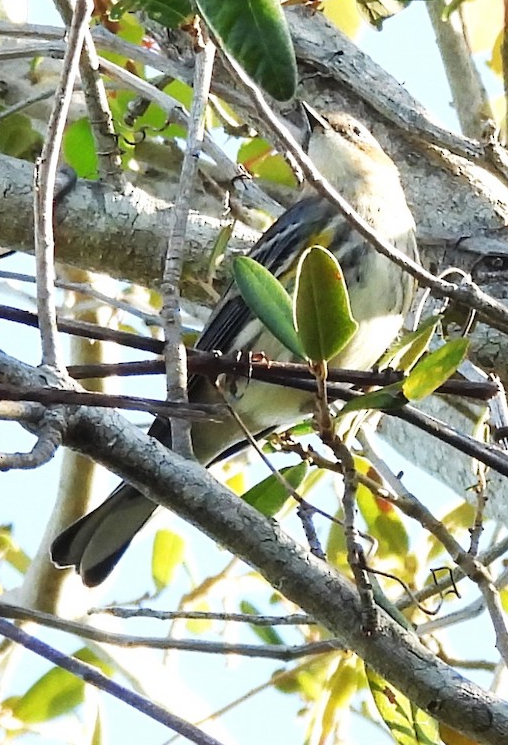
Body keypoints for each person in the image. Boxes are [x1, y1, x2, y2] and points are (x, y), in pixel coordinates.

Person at [52, 104, 420, 586]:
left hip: (284, 403)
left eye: (351, 129)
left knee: (166, 471)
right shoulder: (314, 215)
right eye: (317, 135)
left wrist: (340, 400)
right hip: (236, 374)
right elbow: (244, 303)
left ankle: (129, 507)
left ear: (381, 157)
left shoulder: (404, 242)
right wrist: (231, 363)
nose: (328, 133)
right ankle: (132, 502)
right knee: (161, 465)